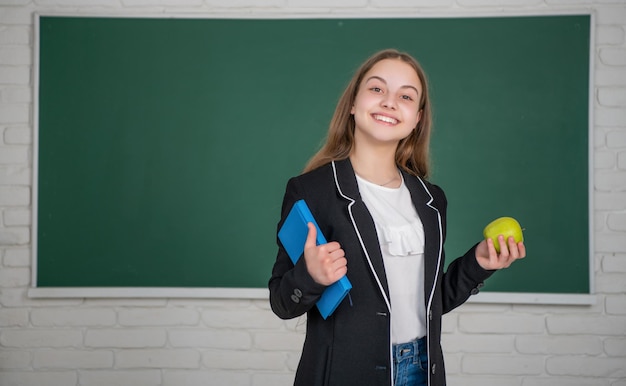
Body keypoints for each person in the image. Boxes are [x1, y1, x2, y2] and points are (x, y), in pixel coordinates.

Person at [268, 48, 526, 386]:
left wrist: (478, 263)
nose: (390, 102)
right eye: (377, 89)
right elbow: (282, 303)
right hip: (346, 374)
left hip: (422, 369)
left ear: (417, 118)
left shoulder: (431, 200)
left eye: (406, 96)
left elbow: (431, 303)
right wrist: (310, 275)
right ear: (352, 103)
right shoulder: (312, 190)